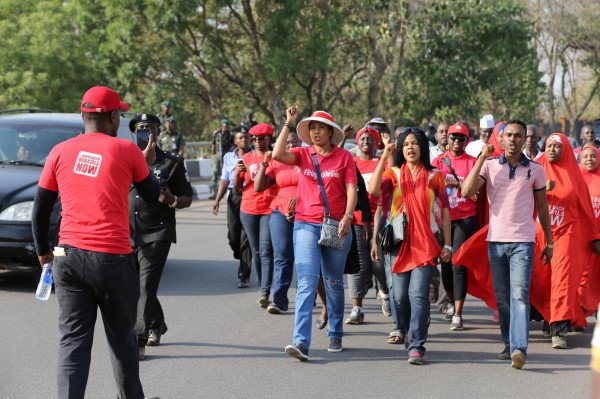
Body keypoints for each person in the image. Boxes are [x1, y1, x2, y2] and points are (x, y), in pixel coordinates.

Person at [32, 86, 161, 398]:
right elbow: (151, 196)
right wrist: (147, 163)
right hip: (113, 259)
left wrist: (43, 253)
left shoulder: (59, 152)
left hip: (68, 257)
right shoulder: (128, 151)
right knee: (122, 342)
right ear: (114, 117)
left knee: (73, 343)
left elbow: (40, 209)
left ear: (83, 115)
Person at [461, 119, 553, 370]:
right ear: (501, 139)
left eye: (518, 135)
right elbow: (467, 191)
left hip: (523, 241)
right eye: (508, 135)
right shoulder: (489, 166)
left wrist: (550, 242)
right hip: (496, 241)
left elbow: (543, 208)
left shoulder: (535, 170)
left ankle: (519, 348)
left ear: (525, 140)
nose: (513, 139)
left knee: (519, 294)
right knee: (502, 297)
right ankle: (508, 342)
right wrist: (481, 157)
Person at [274, 107, 357, 360]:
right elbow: (277, 154)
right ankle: (300, 342)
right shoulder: (303, 154)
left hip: (336, 225)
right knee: (307, 281)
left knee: (332, 281)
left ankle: (336, 331)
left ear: (331, 132)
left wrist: (347, 216)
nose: (316, 131)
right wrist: (289, 123)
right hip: (306, 224)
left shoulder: (344, 157)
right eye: (312, 128)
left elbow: (352, 190)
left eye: (321, 127)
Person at [368, 127, 452, 365]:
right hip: (398, 243)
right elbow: (373, 191)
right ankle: (404, 327)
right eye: (406, 144)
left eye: (415, 143)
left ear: (422, 147)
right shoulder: (393, 174)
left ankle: (416, 344)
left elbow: (445, 211)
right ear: (401, 149)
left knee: (417, 294)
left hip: (426, 243)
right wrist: (384, 156)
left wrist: (448, 244)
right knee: (399, 296)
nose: (410, 148)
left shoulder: (435, 175)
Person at [128, 113, 194, 360]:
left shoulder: (171, 163)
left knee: (145, 285)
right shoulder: (124, 159)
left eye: (150, 128)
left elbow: (187, 197)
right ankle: (157, 324)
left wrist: (172, 200)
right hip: (127, 232)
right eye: (140, 129)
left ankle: (138, 340)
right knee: (134, 287)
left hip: (157, 232)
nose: (145, 132)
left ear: (158, 132)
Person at [537, 133, 600, 349]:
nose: (552, 149)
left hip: (567, 233)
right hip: (539, 232)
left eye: (557, 146)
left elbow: (587, 209)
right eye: (549, 145)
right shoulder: (535, 168)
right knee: (542, 279)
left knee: (562, 280)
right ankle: (548, 318)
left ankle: (559, 330)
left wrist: (595, 237)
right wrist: (539, 189)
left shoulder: (575, 176)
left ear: (564, 149)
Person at [431, 122, 478, 331]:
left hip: (465, 217)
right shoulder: (437, 161)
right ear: (446, 139)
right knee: (446, 263)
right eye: (453, 138)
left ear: (467, 141)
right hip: (443, 218)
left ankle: (458, 313)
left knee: (458, 262)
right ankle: (450, 301)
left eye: (461, 138)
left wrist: (458, 184)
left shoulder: (473, 162)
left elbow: (477, 189)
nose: (457, 142)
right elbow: (430, 186)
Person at [345, 126, 390, 324]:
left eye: (370, 139)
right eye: (362, 139)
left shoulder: (382, 163)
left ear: (376, 143)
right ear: (357, 142)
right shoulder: (351, 163)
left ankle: (384, 291)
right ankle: (357, 309)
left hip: (378, 219)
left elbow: (383, 198)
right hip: (355, 219)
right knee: (358, 265)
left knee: (378, 264)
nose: (366, 142)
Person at [254, 131, 302, 314]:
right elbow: (259, 187)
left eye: (294, 142)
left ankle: (308, 296)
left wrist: (299, 203)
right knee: (282, 255)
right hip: (280, 212)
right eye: (287, 143)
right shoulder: (276, 162)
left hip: (306, 212)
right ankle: (279, 300)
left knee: (305, 258)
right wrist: (265, 163)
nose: (290, 145)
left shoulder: (307, 161)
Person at [233, 123, 276, 308]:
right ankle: (262, 288)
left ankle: (266, 291)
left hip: (269, 208)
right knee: (256, 250)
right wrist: (237, 175)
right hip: (248, 209)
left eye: (262, 139)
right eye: (255, 139)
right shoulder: (246, 158)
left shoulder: (276, 158)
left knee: (267, 251)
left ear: (269, 140)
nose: (258, 142)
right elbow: (237, 188)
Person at [212, 129, 253, 288]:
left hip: (250, 195)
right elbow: (224, 180)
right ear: (235, 141)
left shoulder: (255, 156)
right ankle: (240, 254)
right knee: (233, 236)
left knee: (245, 237)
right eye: (241, 138)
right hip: (233, 197)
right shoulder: (229, 156)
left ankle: (244, 274)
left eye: (247, 138)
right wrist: (217, 200)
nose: (244, 140)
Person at [209, 119, 233, 199]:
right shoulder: (216, 134)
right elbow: (213, 145)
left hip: (226, 155)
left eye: (227, 126)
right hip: (217, 155)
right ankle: (213, 192)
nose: (226, 127)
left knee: (225, 173)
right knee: (215, 172)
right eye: (224, 125)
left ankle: (225, 192)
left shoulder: (230, 135)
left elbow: (232, 146)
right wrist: (212, 156)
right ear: (221, 126)